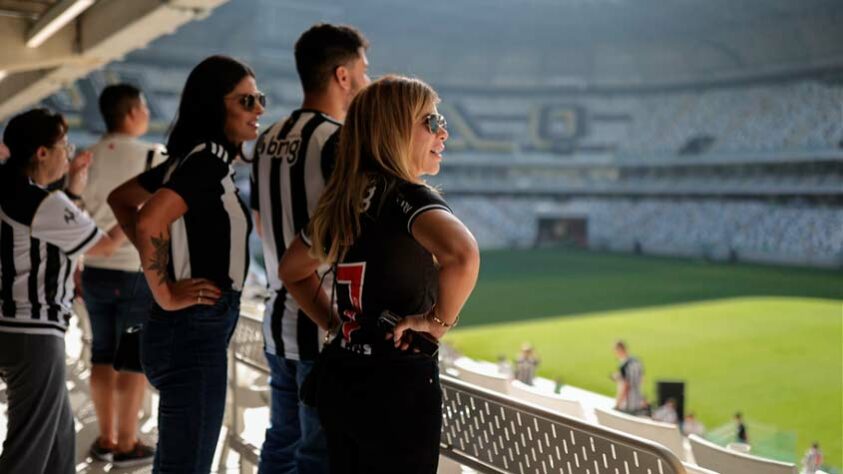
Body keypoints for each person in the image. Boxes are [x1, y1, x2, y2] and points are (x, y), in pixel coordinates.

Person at [279, 75, 480, 474]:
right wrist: (436, 324)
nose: (444, 132)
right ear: (395, 129)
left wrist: (337, 325)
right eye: (432, 121)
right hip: (395, 388)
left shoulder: (345, 199)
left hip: (343, 376)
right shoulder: (408, 197)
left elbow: (292, 271)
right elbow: (464, 255)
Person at [108, 55, 262, 473]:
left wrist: (156, 262)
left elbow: (121, 199)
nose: (259, 109)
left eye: (259, 99)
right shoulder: (208, 158)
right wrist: (165, 287)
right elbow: (148, 217)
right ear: (216, 105)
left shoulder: (191, 158)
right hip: (193, 329)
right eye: (247, 101)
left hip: (187, 329)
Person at [251, 23, 369, 474]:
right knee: (318, 455)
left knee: (281, 442)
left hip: (276, 319)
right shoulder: (339, 140)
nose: (366, 80)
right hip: (321, 323)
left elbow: (262, 221)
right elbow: (348, 228)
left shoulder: (266, 139)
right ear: (343, 76)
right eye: (363, 70)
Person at [0, 108, 120, 473]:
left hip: (13, 326)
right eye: (63, 145)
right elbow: (102, 246)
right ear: (41, 152)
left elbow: (57, 233)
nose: (68, 153)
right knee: (30, 442)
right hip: (33, 331)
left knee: (57, 435)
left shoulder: (16, 194)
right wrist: (141, 210)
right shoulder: (38, 201)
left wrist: (74, 193)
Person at [81, 83, 166, 466]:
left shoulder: (88, 156)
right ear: (133, 112)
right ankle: (128, 443)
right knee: (130, 359)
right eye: (144, 106)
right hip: (134, 272)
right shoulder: (153, 155)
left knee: (100, 354)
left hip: (95, 270)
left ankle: (105, 437)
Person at [612, 340, 646, 414]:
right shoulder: (638, 361)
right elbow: (641, 380)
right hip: (639, 403)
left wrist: (617, 405)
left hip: (628, 406)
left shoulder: (624, 366)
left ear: (619, 350)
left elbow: (626, 386)